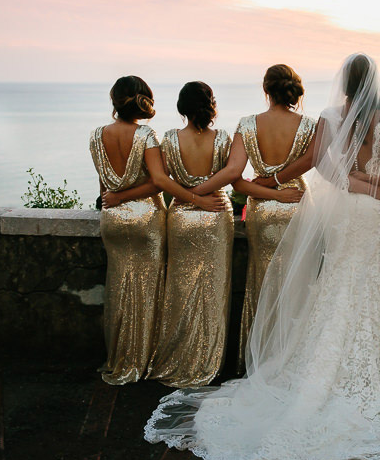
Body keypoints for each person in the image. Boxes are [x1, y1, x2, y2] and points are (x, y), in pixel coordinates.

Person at [144, 54, 380, 460]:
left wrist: (347, 183)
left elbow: (321, 163)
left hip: (346, 209)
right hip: (375, 213)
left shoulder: (330, 114)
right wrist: (369, 186)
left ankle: (318, 367)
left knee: (338, 277)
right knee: (372, 279)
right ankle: (374, 372)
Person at [219, 65, 315, 372]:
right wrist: (282, 190)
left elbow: (236, 180)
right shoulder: (310, 125)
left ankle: (261, 359)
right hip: (299, 204)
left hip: (262, 209)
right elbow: (314, 163)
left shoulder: (248, 124)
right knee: (299, 281)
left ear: (266, 90)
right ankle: (296, 359)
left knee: (262, 281)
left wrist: (269, 190)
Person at [146, 82, 236, 388]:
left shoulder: (169, 139)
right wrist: (204, 195)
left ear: (182, 107)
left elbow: (161, 180)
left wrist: (189, 197)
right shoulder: (223, 139)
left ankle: (179, 359)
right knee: (214, 291)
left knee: (179, 290)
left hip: (182, 216)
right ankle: (209, 362)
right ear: (211, 105)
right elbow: (233, 175)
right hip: (216, 215)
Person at [89, 76, 166, 385]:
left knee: (119, 287)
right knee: (149, 290)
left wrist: (114, 199)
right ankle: (145, 359)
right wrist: (126, 195)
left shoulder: (97, 135)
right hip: (145, 217)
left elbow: (103, 184)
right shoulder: (146, 135)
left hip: (113, 219)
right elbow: (158, 181)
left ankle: (119, 358)